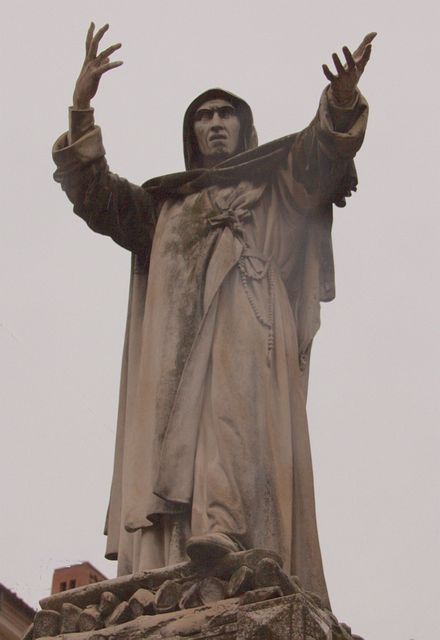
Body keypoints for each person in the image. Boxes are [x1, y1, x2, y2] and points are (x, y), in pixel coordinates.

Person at [52, 24, 375, 608]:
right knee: (183, 441)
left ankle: (232, 534)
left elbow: (319, 157)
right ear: (191, 134)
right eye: (204, 116)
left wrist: (342, 103)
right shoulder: (164, 206)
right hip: (176, 350)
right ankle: (178, 558)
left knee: (238, 427)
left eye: (227, 113)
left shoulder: (274, 183)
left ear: (245, 128)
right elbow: (96, 196)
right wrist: (81, 109)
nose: (216, 122)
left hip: (249, 323)